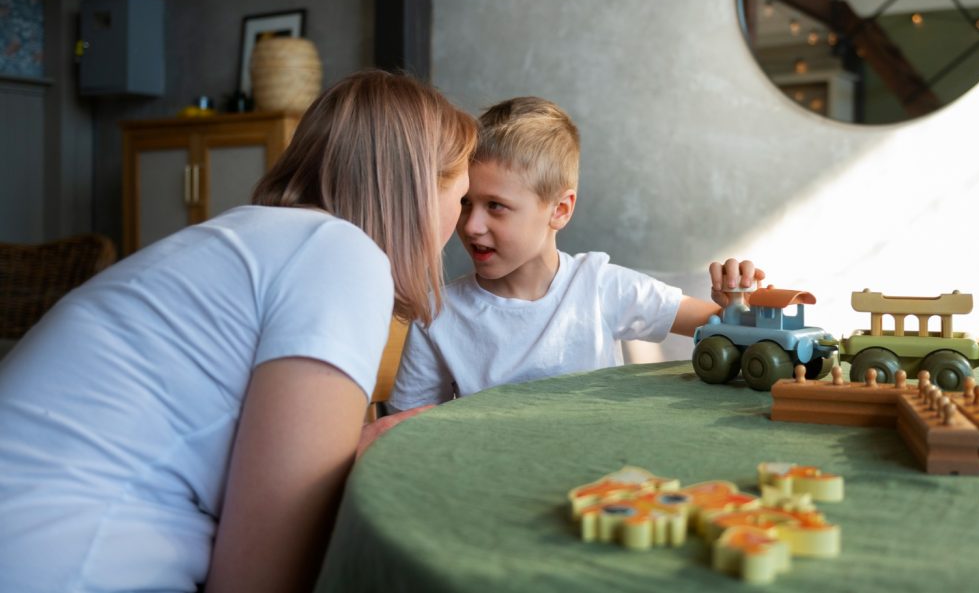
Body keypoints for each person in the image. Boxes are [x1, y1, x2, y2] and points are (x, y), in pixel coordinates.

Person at [0, 70, 477, 593]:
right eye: (462, 199)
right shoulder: (341, 254)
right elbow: (260, 577)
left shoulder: (241, 237)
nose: (466, 224)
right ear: (415, 192)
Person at [388, 96, 761, 411]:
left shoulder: (598, 285)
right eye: (465, 203)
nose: (471, 226)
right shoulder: (435, 314)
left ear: (560, 210)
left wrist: (733, 304)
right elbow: (407, 431)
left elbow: (726, 327)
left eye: (496, 206)